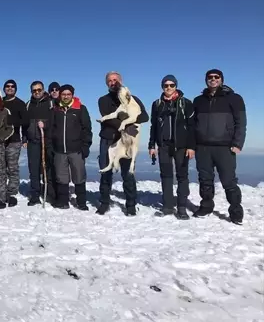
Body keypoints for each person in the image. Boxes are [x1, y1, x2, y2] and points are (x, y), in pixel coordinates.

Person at [192, 69, 247, 224]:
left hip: (225, 147)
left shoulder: (234, 98)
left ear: (221, 79)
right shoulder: (198, 100)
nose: (213, 79)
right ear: (206, 80)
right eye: (210, 77)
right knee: (205, 180)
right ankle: (206, 206)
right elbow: (192, 124)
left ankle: (236, 211)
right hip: (202, 147)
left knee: (229, 181)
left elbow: (241, 123)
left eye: (217, 77)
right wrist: (193, 144)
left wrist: (237, 143)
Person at [97, 71, 149, 216]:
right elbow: (109, 119)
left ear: (121, 81)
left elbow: (144, 116)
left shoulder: (133, 99)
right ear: (107, 83)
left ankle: (131, 205)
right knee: (106, 172)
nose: (113, 82)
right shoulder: (103, 100)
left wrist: (131, 122)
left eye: (115, 80)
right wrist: (127, 124)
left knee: (128, 173)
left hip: (127, 141)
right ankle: (104, 203)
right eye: (110, 81)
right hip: (109, 140)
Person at [148, 75, 195, 220]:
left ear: (176, 86)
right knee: (166, 176)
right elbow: (154, 126)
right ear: (162, 87)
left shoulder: (186, 103)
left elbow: (192, 127)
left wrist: (191, 146)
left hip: (181, 146)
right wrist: (152, 145)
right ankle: (168, 206)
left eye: (171, 85)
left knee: (182, 176)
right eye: (166, 85)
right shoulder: (157, 104)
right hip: (164, 146)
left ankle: (181, 207)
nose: (168, 88)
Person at [51, 84, 92, 210]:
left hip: (76, 150)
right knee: (61, 177)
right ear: (60, 95)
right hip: (59, 150)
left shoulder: (80, 109)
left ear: (72, 95)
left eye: (68, 94)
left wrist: (85, 146)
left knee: (79, 176)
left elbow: (87, 129)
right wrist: (51, 147)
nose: (66, 96)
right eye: (63, 94)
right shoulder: (56, 109)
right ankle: (63, 201)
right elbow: (52, 129)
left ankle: (81, 202)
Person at [24, 81, 55, 206]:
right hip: (33, 141)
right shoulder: (28, 105)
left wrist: (45, 125)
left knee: (48, 168)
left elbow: (55, 121)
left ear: (43, 90)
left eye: (39, 90)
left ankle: (49, 194)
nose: (37, 92)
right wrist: (24, 139)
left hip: (47, 140)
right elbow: (25, 124)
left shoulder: (50, 103)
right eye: (34, 90)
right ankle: (35, 195)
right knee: (34, 169)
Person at [2, 79, 27, 207]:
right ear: (4, 88)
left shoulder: (20, 104)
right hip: (0, 141)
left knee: (12, 166)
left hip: (14, 140)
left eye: (12, 87)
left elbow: (25, 122)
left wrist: (25, 138)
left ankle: (12, 191)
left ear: (15, 89)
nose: (10, 88)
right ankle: (1, 190)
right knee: (1, 166)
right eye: (7, 86)